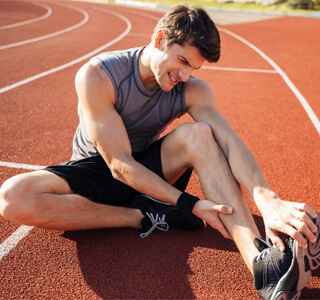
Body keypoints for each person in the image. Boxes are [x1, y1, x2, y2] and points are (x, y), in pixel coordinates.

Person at [0, 4, 319, 299]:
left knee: (201, 134)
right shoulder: (99, 75)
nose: (184, 76)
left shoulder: (192, 89)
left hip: (148, 166)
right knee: (12, 198)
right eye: (182, 61)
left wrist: (267, 197)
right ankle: (142, 216)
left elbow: (229, 140)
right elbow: (118, 164)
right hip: (96, 167)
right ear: (160, 38)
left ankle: (264, 264)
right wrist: (189, 204)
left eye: (193, 68)